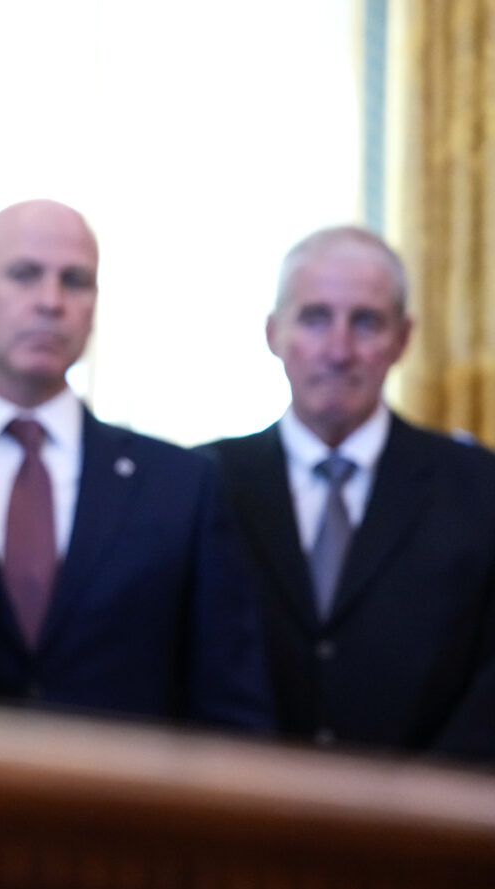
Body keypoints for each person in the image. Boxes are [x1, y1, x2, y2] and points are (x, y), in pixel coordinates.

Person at [0, 199, 272, 729]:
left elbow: (230, 705)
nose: (50, 301)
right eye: (24, 275)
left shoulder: (181, 487)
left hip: (128, 804)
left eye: (75, 281)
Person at [203, 227, 495, 761]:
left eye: (366, 322)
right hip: (238, 819)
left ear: (403, 339)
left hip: (432, 827)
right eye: (315, 319)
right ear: (274, 333)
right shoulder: (201, 482)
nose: (339, 351)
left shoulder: (479, 489)